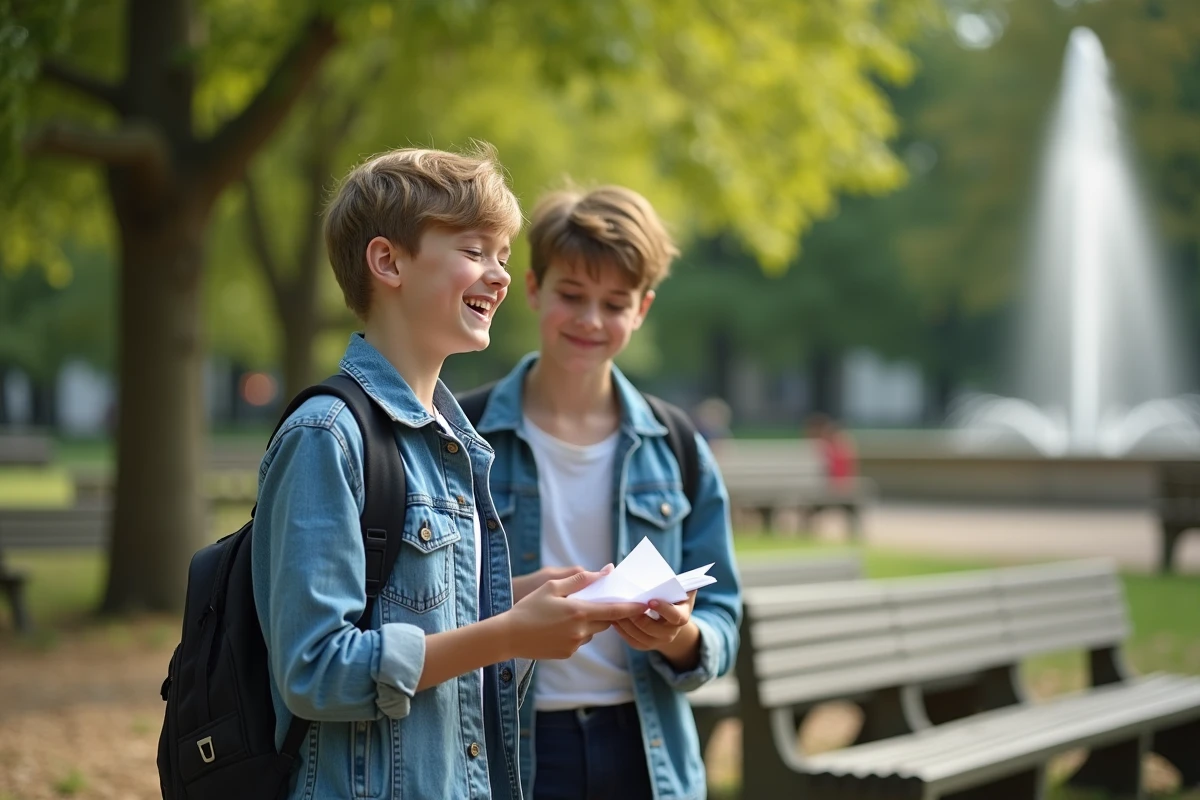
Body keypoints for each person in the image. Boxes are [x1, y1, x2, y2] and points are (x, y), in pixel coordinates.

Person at [251, 148, 646, 800]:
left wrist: (513, 599)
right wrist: (509, 635)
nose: (498, 275)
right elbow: (314, 669)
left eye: (502, 255)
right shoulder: (327, 437)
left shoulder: (453, 438)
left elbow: (406, 606)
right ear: (388, 262)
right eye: (475, 251)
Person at [465, 185, 742, 800]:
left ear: (641, 310)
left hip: (645, 749)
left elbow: (724, 615)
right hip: (507, 744)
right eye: (571, 295)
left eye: (614, 303)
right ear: (533, 289)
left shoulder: (676, 443)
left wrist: (681, 636)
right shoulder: (461, 435)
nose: (591, 320)